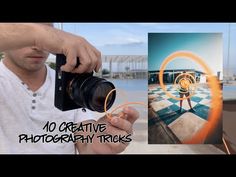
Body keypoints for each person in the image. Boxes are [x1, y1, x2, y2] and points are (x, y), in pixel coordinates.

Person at [0, 23, 139, 154]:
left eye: (47, 29)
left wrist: (96, 142)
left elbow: (86, 140)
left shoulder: (70, 85)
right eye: (25, 28)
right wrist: (38, 35)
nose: (39, 47)